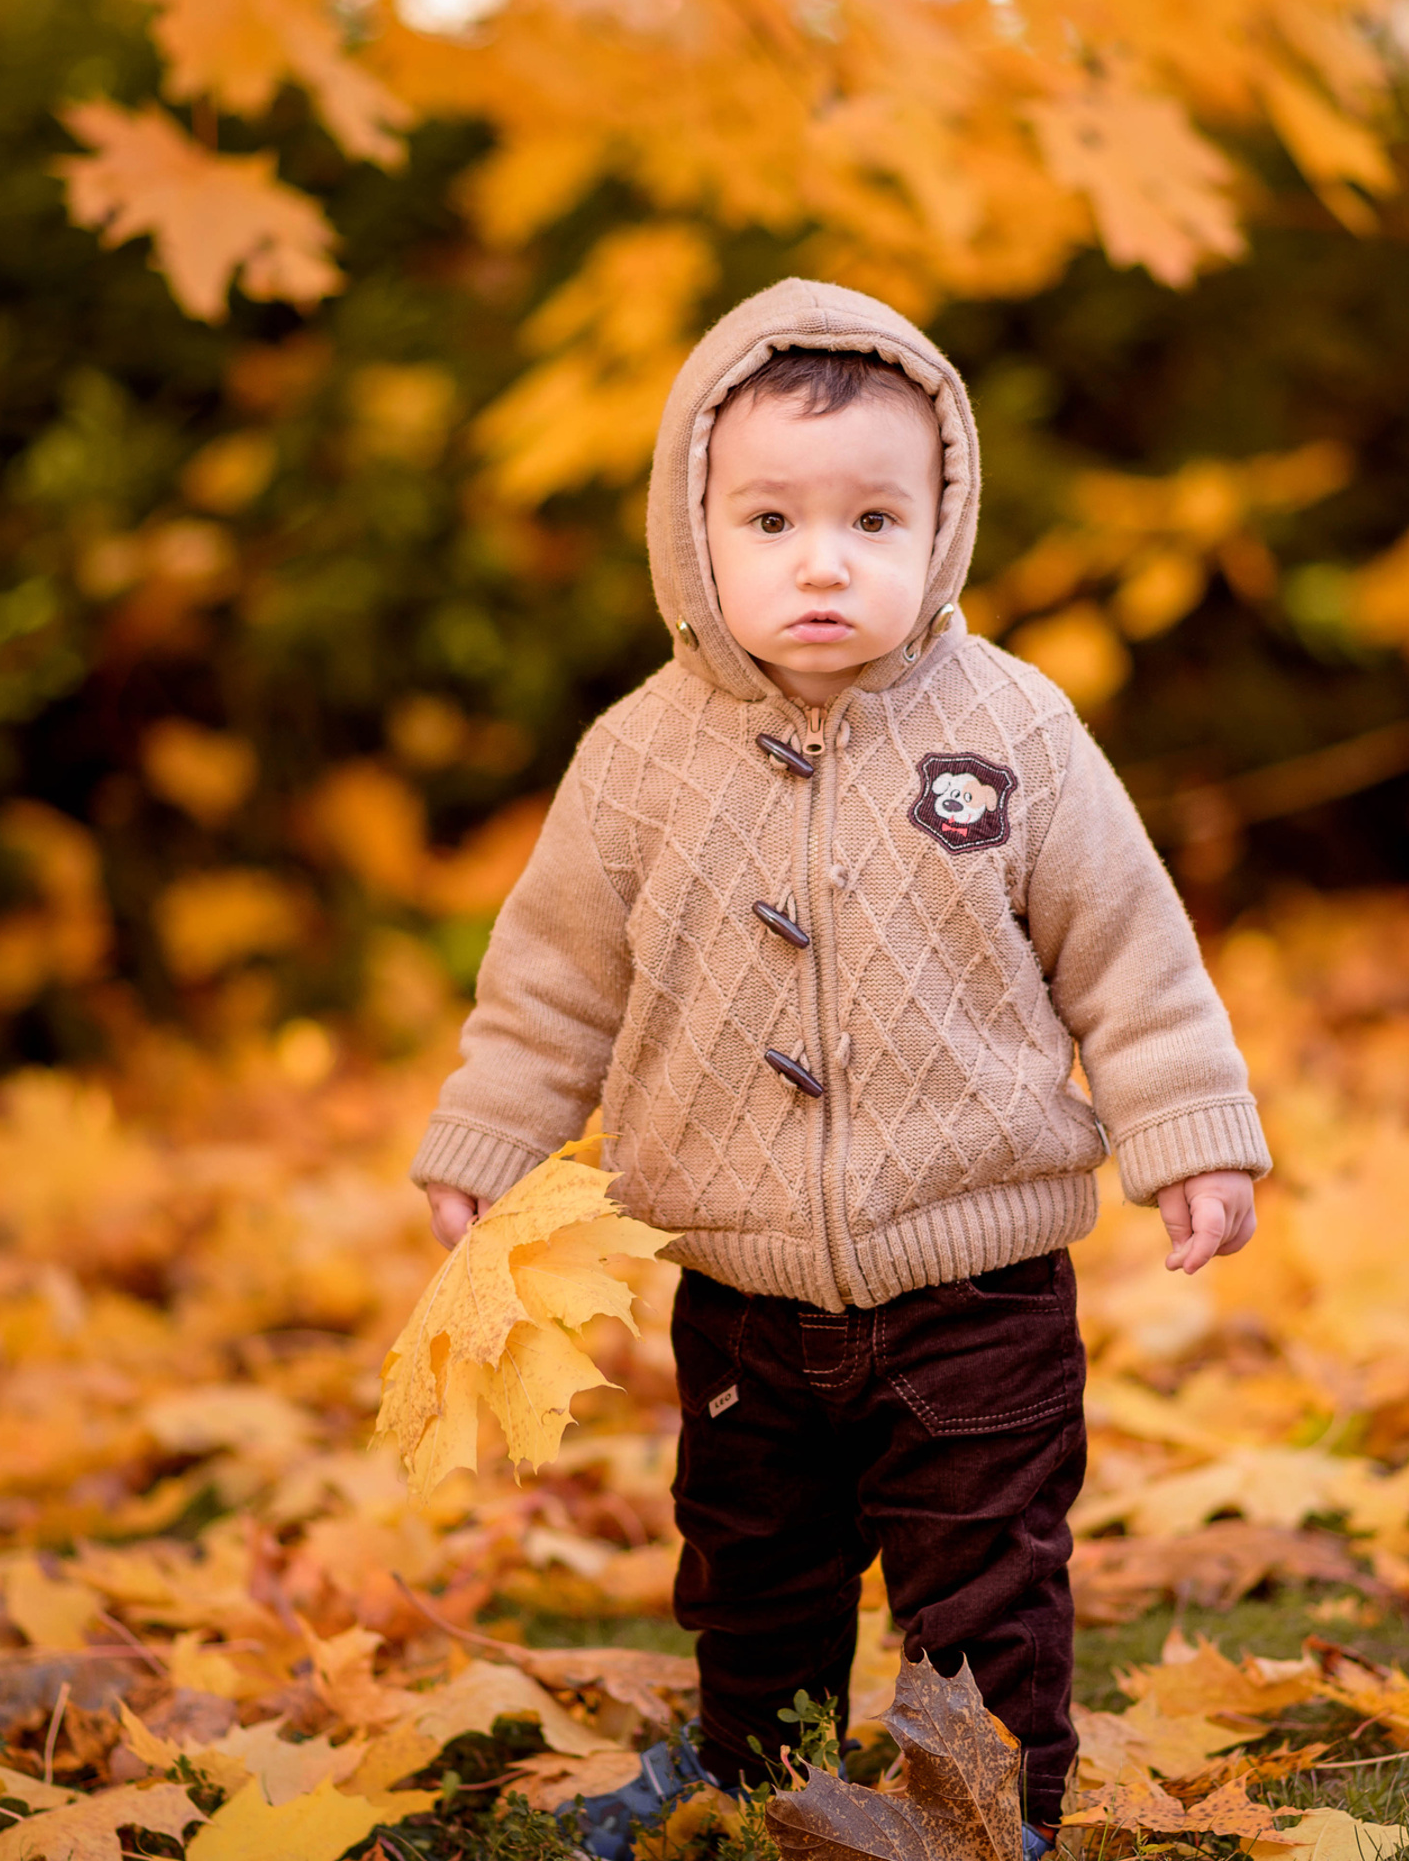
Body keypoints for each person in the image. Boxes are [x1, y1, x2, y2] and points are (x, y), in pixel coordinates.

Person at [413, 279, 1270, 1856]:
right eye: (773, 521)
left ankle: (990, 1795)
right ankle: (760, 1771)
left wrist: (1192, 1135)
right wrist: (492, 1139)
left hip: (980, 1275)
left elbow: (1129, 953)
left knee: (987, 1565)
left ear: (942, 525)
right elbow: (550, 985)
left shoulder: (1013, 728)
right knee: (752, 1557)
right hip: (737, 1280)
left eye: (876, 520)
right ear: (695, 533)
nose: (825, 562)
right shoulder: (638, 760)